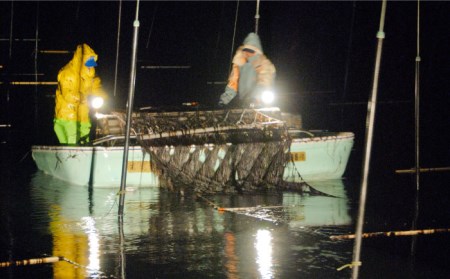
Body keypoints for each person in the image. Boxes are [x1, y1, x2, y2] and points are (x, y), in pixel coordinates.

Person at [53, 43, 107, 144]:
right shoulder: (68, 73)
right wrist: (82, 98)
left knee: (83, 141)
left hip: (83, 118)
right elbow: (67, 94)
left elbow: (97, 87)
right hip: (67, 116)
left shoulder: (91, 76)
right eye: (89, 62)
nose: (91, 67)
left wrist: (102, 97)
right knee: (71, 142)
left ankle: (80, 156)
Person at [219, 32, 276, 107]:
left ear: (256, 50)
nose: (248, 53)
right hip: (243, 103)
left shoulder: (263, 63)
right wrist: (224, 100)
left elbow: (265, 80)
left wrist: (254, 97)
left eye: (251, 50)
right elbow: (233, 84)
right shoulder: (239, 64)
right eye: (246, 50)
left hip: (260, 103)